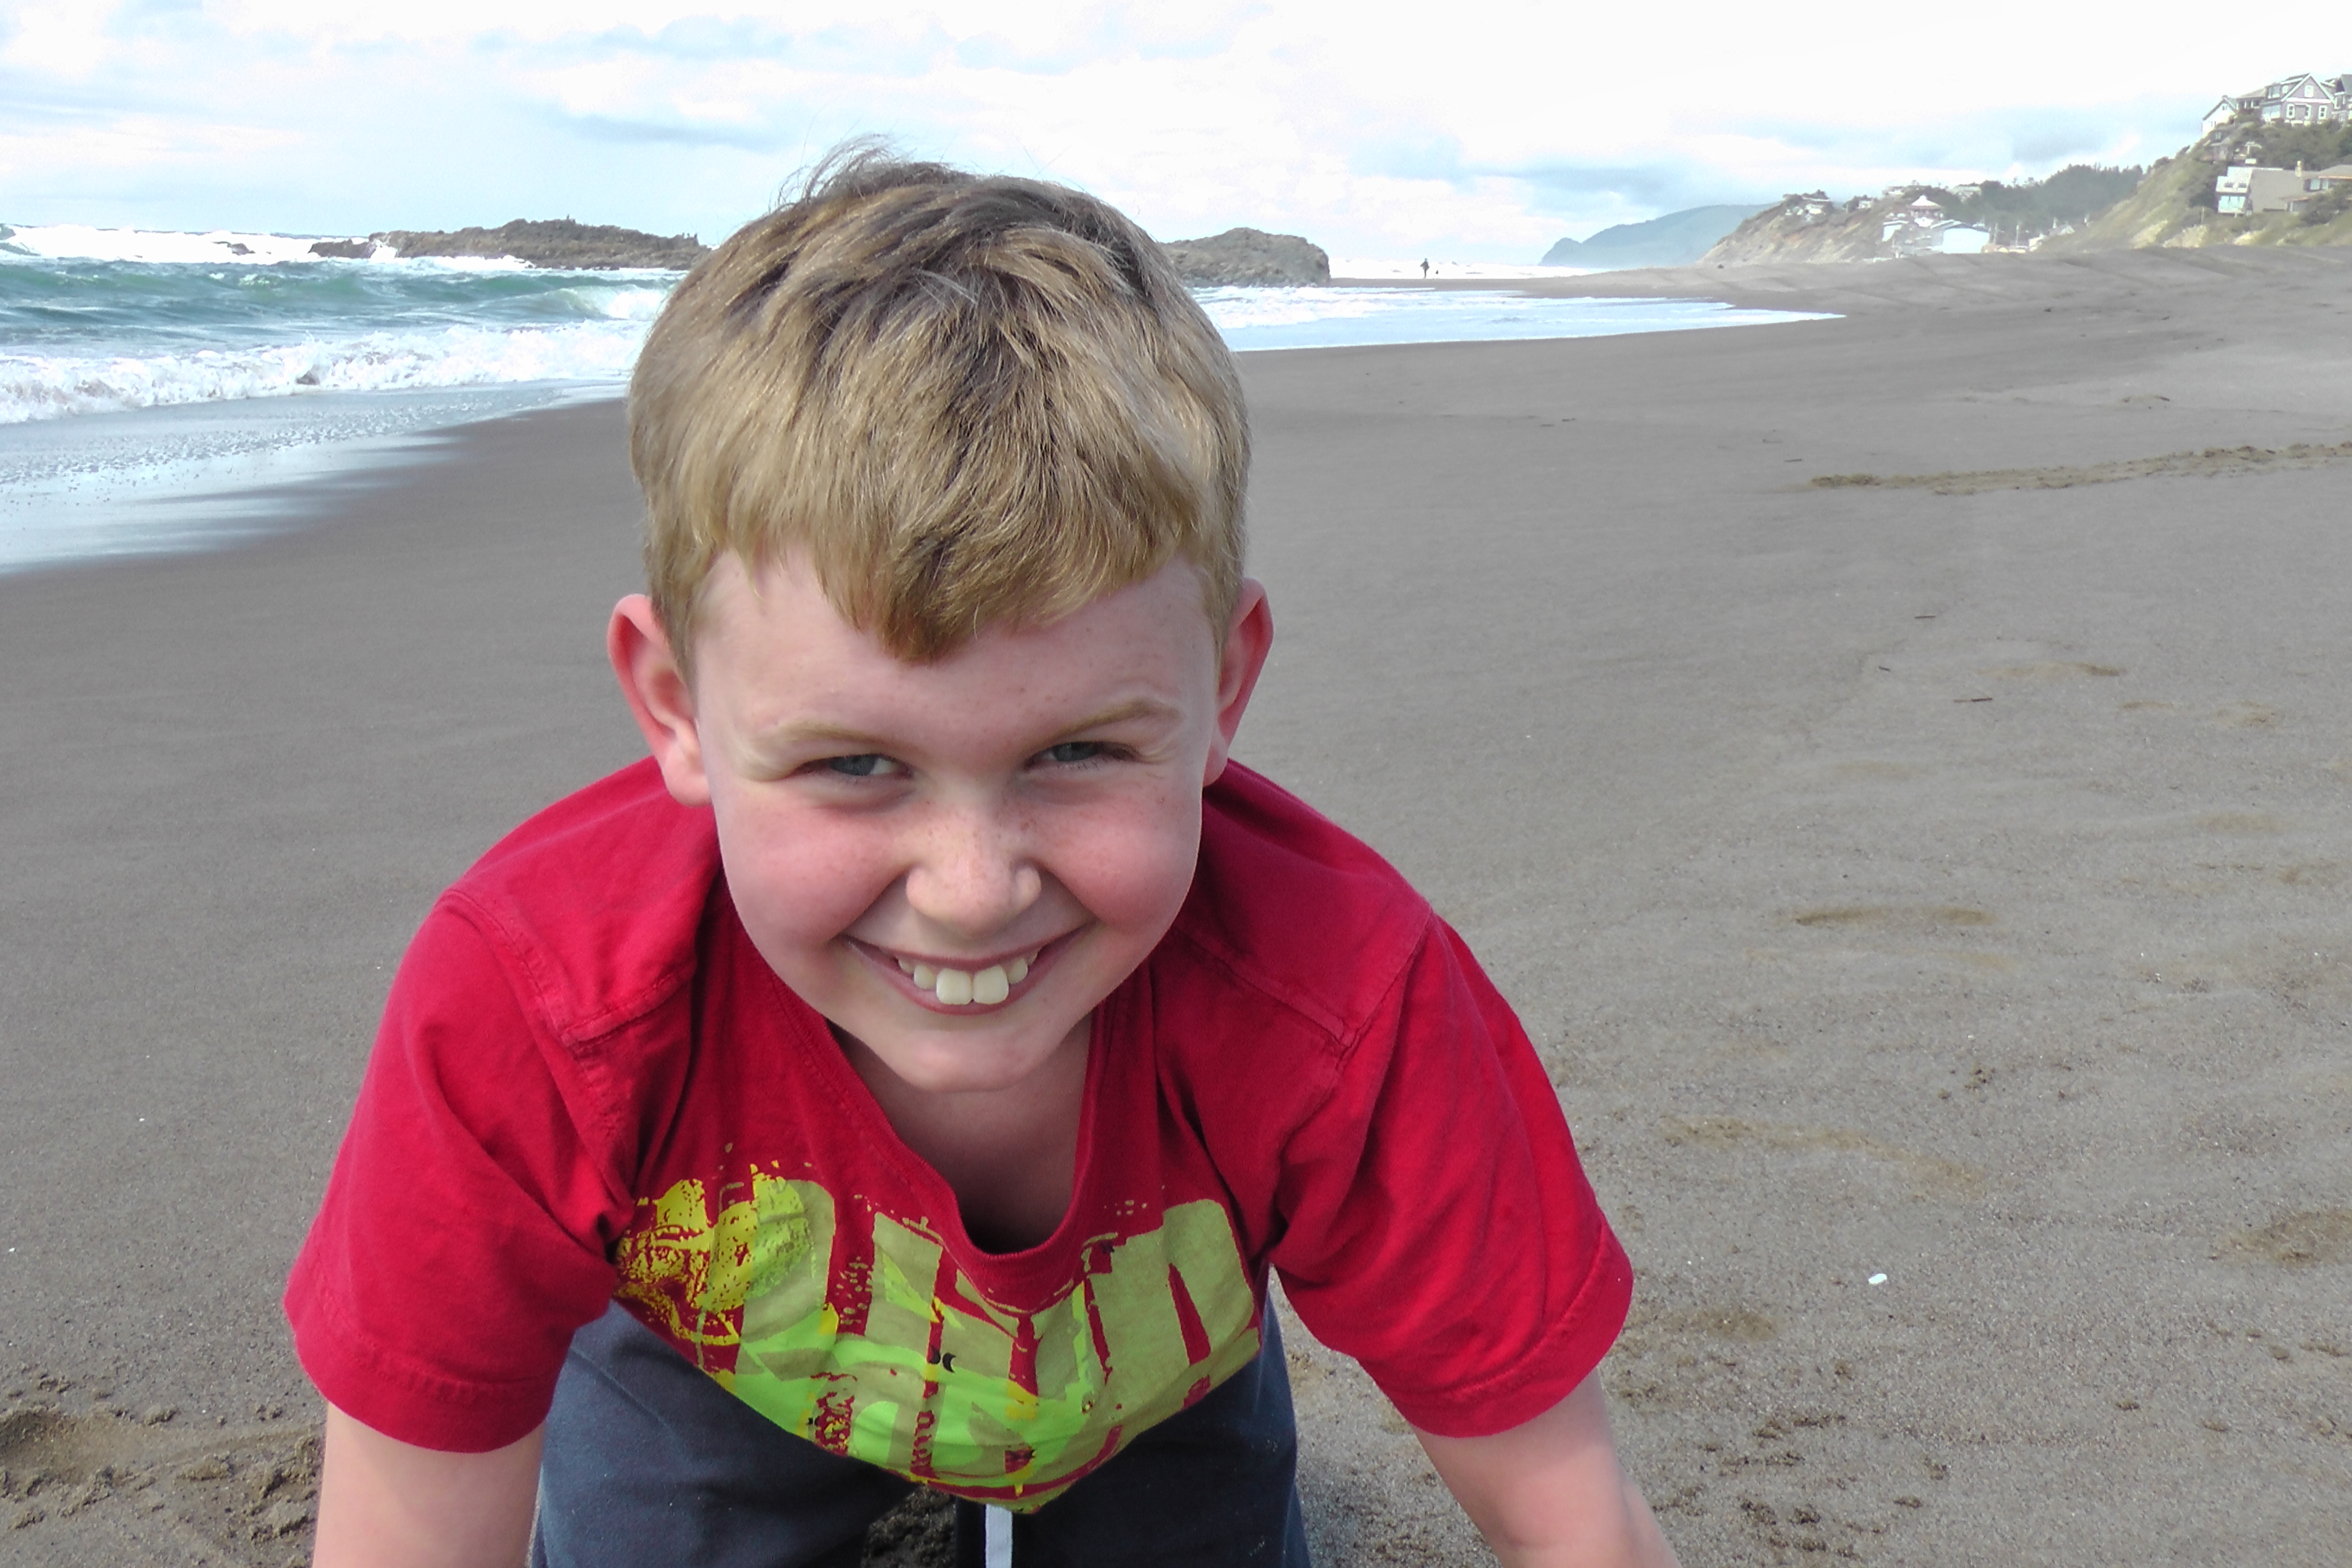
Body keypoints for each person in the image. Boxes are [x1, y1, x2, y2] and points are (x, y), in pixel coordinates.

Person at [287, 150, 1678, 1568]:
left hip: (1147, 1378)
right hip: (721, 1365)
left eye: (1076, 752)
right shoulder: (536, 1009)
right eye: (854, 765)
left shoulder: (1345, 1007)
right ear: (675, 708)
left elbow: (1579, 1529)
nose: (971, 890)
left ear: (1221, 688)